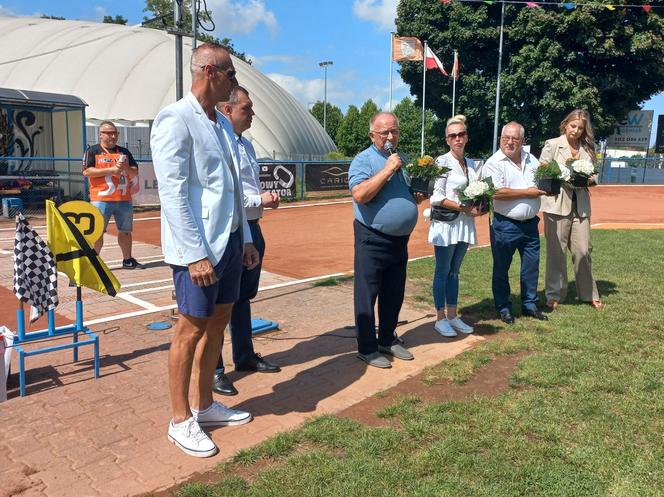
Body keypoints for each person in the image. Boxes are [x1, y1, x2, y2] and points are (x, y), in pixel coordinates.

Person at [151, 43, 259, 458]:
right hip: (198, 249)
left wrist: (246, 240)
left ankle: (205, 405)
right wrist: (195, 253)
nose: (235, 82)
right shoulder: (176, 119)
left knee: (219, 322)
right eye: (231, 74)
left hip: (230, 241)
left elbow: (230, 188)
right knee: (189, 329)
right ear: (211, 72)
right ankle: (180, 420)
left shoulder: (218, 123)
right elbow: (173, 195)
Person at [212, 86, 280, 397]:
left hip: (252, 228)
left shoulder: (247, 145)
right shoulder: (218, 143)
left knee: (241, 297)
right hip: (229, 229)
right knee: (218, 302)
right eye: (247, 110)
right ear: (228, 110)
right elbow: (230, 193)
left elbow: (246, 188)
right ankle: (213, 370)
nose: (252, 114)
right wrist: (259, 199)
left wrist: (261, 201)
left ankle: (244, 356)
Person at [348, 112, 425, 369]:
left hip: (399, 241)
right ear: (373, 135)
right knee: (367, 294)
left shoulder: (404, 159)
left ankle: (387, 339)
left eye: (394, 131)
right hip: (372, 237)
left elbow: (406, 196)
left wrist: (416, 196)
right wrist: (387, 169)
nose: (391, 137)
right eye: (384, 133)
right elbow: (360, 194)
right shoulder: (364, 160)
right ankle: (367, 348)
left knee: (394, 293)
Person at [482, 122, 549, 324]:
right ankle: (504, 307)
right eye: (506, 138)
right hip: (505, 224)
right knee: (501, 269)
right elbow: (496, 192)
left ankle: (530, 304)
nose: (510, 142)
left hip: (530, 224)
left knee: (531, 266)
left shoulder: (532, 160)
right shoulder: (493, 163)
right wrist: (528, 192)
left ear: (522, 141)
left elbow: (542, 181)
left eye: (515, 139)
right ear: (501, 139)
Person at [540, 109, 603, 310]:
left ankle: (588, 293)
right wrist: (562, 176)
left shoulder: (588, 148)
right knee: (556, 253)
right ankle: (554, 294)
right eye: (573, 126)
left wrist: (586, 179)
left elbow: (595, 177)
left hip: (581, 206)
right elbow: (542, 171)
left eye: (580, 128)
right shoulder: (552, 145)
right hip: (556, 205)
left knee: (583, 251)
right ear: (565, 124)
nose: (576, 131)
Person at [429, 115, 483, 337]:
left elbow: (479, 192)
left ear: (467, 137)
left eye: (461, 134)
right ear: (447, 140)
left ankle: (453, 315)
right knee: (442, 271)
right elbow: (436, 197)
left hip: (464, 223)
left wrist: (481, 206)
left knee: (454, 272)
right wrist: (463, 208)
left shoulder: (472, 164)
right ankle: (440, 318)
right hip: (446, 224)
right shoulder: (442, 162)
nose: (458, 138)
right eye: (453, 136)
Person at [82, 121, 142, 268]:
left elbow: (135, 171)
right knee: (97, 232)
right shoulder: (93, 151)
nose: (113, 136)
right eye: (108, 133)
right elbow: (86, 172)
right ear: (100, 134)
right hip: (101, 199)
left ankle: (128, 260)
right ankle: (93, 263)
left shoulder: (124, 152)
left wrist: (126, 168)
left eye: (115, 133)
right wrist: (111, 170)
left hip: (123, 199)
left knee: (126, 231)